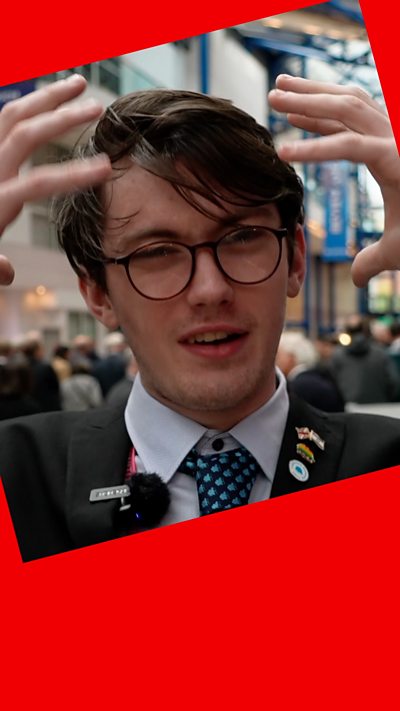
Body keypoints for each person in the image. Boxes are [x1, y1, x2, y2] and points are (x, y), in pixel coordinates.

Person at [1, 73, 400, 563]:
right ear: (98, 294)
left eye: (241, 238)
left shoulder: (384, 460)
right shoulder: (20, 474)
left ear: (295, 261)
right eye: (158, 252)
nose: (210, 290)